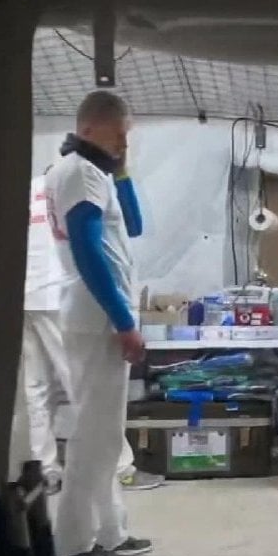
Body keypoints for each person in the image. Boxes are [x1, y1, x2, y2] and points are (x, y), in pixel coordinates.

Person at [47, 90, 152, 556]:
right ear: (89, 129)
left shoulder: (94, 172)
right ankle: (71, 543)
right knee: (95, 436)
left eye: (126, 138)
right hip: (97, 319)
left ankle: (110, 531)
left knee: (105, 435)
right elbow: (89, 254)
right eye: (117, 136)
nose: (122, 145)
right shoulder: (80, 172)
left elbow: (134, 225)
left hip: (98, 317)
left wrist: (123, 168)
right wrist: (124, 321)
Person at [21, 172, 164, 496]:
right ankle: (120, 468)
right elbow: (127, 229)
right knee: (88, 390)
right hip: (59, 296)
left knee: (37, 389)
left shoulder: (33, 188)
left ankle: (46, 471)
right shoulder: (82, 186)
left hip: (28, 296)